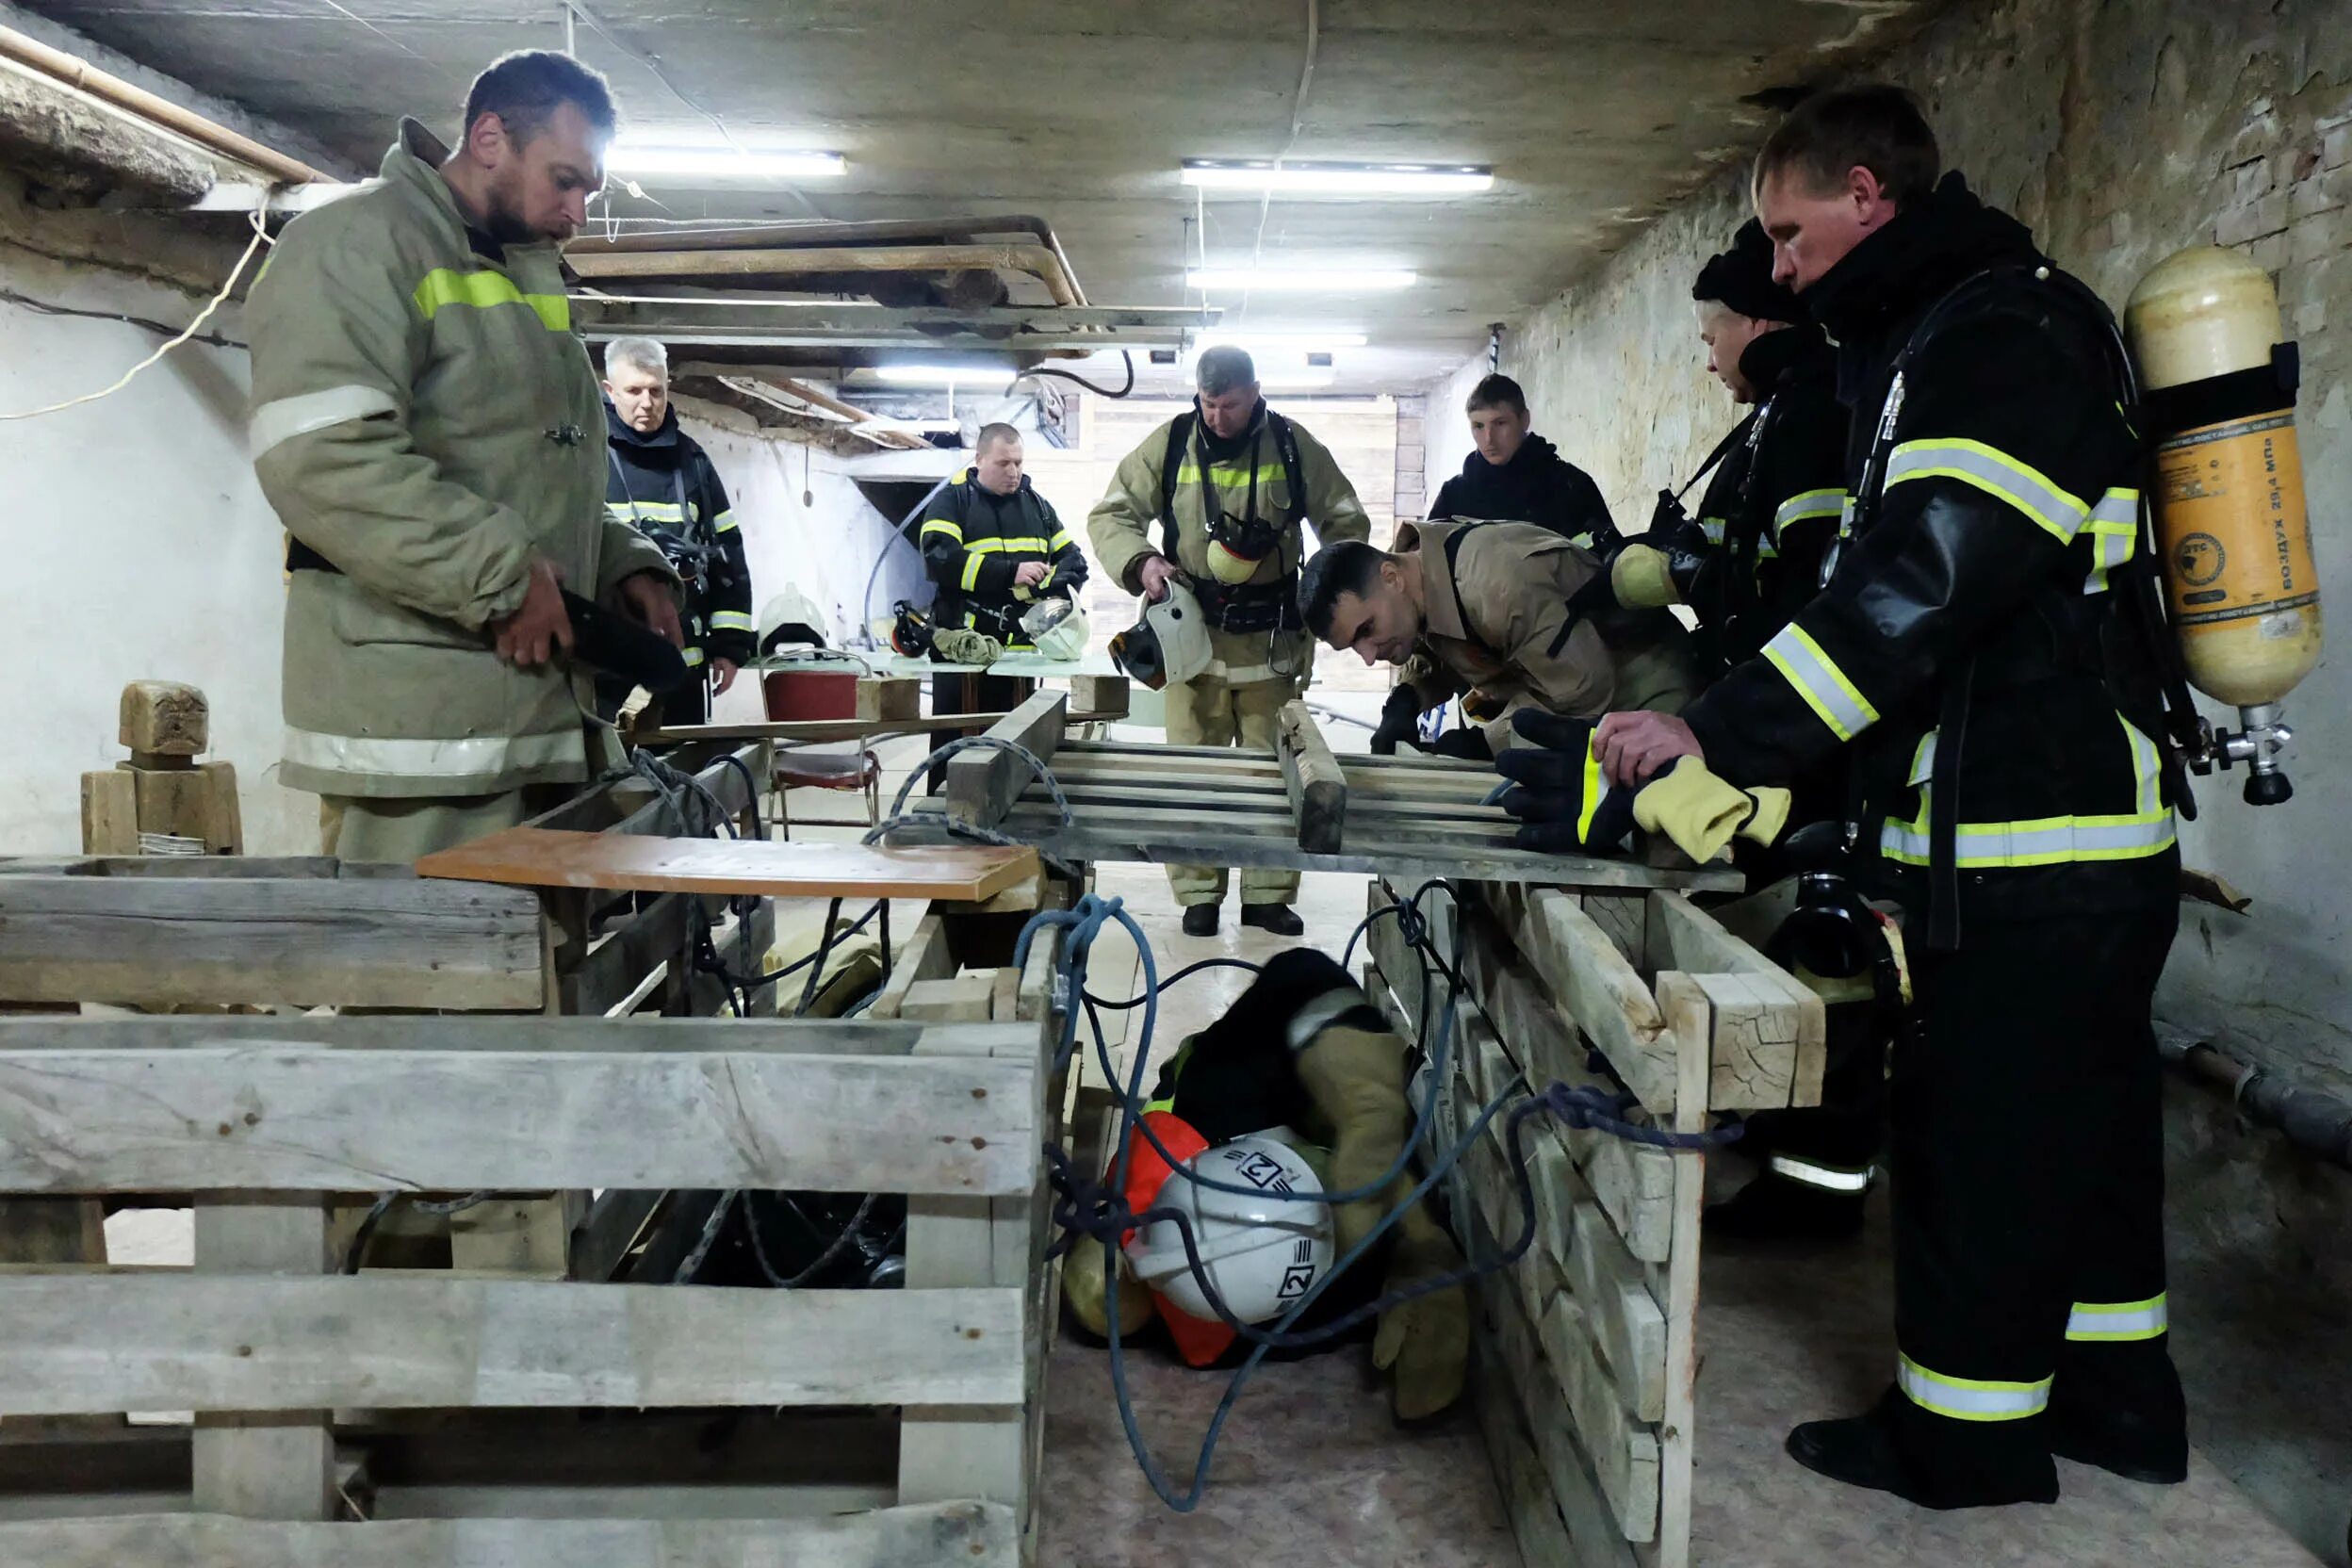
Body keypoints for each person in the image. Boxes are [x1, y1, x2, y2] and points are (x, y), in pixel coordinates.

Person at [1500, 84, 2185, 1510]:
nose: (1783, 267)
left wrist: (1726, 745)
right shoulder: (1956, 333)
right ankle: (2121, 1400)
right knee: (2086, 1134)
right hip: (2070, 831)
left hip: (2024, 834)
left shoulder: (2000, 333)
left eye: (1790, 231)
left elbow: (1911, 590)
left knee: (1985, 1144)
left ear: (1868, 195)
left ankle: (1965, 1440)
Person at [249, 50, 680, 862]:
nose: (578, 210)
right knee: (433, 983)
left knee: (535, 983)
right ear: (489, 138)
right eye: (564, 179)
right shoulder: (355, 245)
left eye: (589, 188)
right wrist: (500, 573)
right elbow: (325, 459)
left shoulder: (522, 277)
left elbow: (535, 468)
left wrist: (624, 561)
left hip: (537, 715)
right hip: (426, 739)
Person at [1059, 949, 1468, 1422]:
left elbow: (1299, 971)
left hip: (1293, 1093)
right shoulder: (1258, 1320)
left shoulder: (1208, 1102)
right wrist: (1422, 1251)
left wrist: (1351, 1071)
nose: (1327, 1193)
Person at [1088, 347, 1371, 937]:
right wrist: (1142, 563)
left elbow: (1346, 521)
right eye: (1209, 404)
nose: (1219, 417)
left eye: (1232, 405)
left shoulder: (1293, 447)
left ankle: (1267, 895)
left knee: (1274, 772)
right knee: (1193, 772)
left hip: (1271, 641)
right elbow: (1111, 515)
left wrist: (1320, 588)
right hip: (1189, 638)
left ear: (1256, 392)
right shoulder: (1169, 446)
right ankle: (1198, 894)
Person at [1603, 220, 1849, 679]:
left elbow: (1809, 583)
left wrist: (1687, 578)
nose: (1712, 363)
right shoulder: (1779, 411)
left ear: (1756, 324)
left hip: (1781, 697)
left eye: (1713, 341)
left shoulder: (1810, 414)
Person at [1298, 523, 1696, 760]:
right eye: (1352, 647)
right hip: (1584, 696)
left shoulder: (1493, 586)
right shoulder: (1418, 575)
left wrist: (1484, 743)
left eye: (1366, 631)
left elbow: (1582, 691)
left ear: (1390, 577)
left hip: (1645, 689)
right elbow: (1444, 648)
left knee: (1645, 840)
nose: (1368, 657)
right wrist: (1406, 701)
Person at [598, 336, 753, 727]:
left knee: (683, 776)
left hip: (685, 670)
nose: (646, 403)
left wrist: (730, 647)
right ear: (609, 390)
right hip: (608, 673)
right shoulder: (588, 458)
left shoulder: (694, 462)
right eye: (633, 391)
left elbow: (728, 557)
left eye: (656, 390)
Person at [919, 420, 1088, 717]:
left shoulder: (1038, 507)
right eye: (1003, 463)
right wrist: (1011, 573)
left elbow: (1074, 561)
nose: (1013, 471)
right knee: (956, 749)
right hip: (964, 653)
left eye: (1018, 462)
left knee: (1015, 747)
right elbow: (940, 559)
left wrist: (1051, 583)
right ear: (979, 459)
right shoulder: (952, 501)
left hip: (1021, 657)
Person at [1427, 374, 1616, 547]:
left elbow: (1608, 557)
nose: (1488, 438)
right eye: (1478, 426)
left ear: (1524, 420)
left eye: (1500, 423)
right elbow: (1422, 562)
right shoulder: (1454, 495)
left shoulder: (1571, 486)